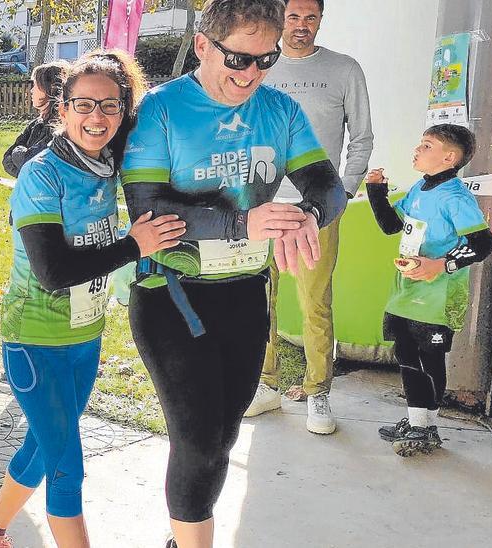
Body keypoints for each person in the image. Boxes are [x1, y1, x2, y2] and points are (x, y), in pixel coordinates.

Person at [120, 0, 347, 546]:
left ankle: (182, 534)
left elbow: (328, 186)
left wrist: (308, 217)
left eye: (266, 60)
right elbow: (147, 210)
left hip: (246, 296)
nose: (252, 74)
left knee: (221, 438)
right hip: (173, 297)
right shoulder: (162, 109)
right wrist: (243, 221)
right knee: (197, 441)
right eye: (238, 59)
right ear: (203, 46)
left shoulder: (280, 109)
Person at [0, 52, 185, 548]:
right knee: (67, 466)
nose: (96, 117)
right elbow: (53, 271)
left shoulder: (109, 164)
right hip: (34, 341)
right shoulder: (43, 175)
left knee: (43, 448)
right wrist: (134, 244)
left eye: (109, 106)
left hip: (85, 339)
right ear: (60, 109)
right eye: (83, 105)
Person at [246, 0, 375, 435]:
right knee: (256, 299)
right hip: (260, 208)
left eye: (310, 17)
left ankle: (318, 391)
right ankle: (265, 386)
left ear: (321, 20)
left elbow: (362, 138)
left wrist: (341, 194)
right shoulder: (257, 66)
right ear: (280, 18)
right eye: (294, 16)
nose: (301, 26)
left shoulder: (344, 69)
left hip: (315, 209)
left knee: (315, 303)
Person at [364, 125, 492, 457]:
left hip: (437, 296)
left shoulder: (455, 197)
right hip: (406, 289)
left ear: (449, 157)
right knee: (406, 354)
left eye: (426, 145)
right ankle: (416, 420)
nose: (417, 149)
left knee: (428, 358)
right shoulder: (420, 188)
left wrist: (441, 265)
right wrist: (376, 191)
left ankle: (428, 427)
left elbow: (483, 243)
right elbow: (392, 225)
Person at [2, 61, 67, 178]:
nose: (31, 91)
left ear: (51, 89)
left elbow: (31, 162)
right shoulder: (37, 123)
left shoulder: (57, 128)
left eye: (36, 85)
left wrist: (20, 156)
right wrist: (27, 173)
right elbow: (7, 158)